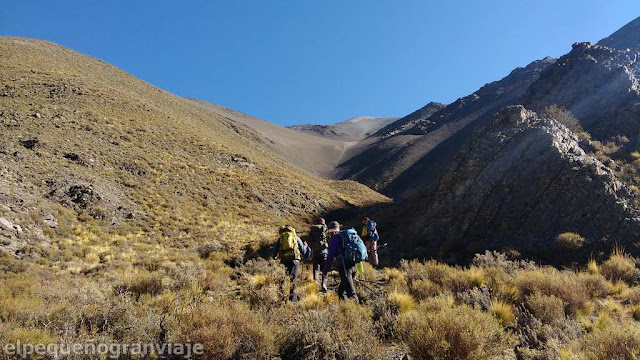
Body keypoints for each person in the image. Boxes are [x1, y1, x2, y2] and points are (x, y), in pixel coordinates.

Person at [322, 221, 359, 302]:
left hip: (345, 269)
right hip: (353, 266)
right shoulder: (344, 237)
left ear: (332, 231)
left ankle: (359, 311)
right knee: (341, 292)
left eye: (330, 233)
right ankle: (346, 311)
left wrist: (325, 272)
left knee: (351, 294)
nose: (329, 235)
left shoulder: (335, 239)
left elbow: (330, 257)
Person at [272, 225, 309, 302]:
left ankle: (281, 296)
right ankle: (293, 298)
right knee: (293, 279)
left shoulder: (281, 238)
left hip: (284, 260)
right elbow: (303, 251)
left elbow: (274, 251)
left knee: (283, 278)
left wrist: (274, 257)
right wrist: (306, 247)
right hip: (295, 260)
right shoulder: (296, 238)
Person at [308, 217, 329, 291]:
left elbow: (309, 241)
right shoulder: (325, 229)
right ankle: (324, 283)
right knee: (324, 269)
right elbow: (329, 239)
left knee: (316, 268)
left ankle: (316, 281)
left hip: (315, 252)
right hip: (324, 252)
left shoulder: (312, 230)